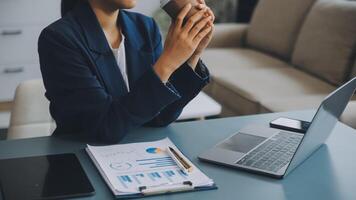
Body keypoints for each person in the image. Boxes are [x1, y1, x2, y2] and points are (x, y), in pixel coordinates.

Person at [38, 0, 215, 143]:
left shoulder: (145, 27)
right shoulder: (58, 39)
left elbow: (160, 115)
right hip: (80, 158)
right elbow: (103, 128)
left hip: (135, 156)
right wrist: (167, 62)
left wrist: (193, 54)